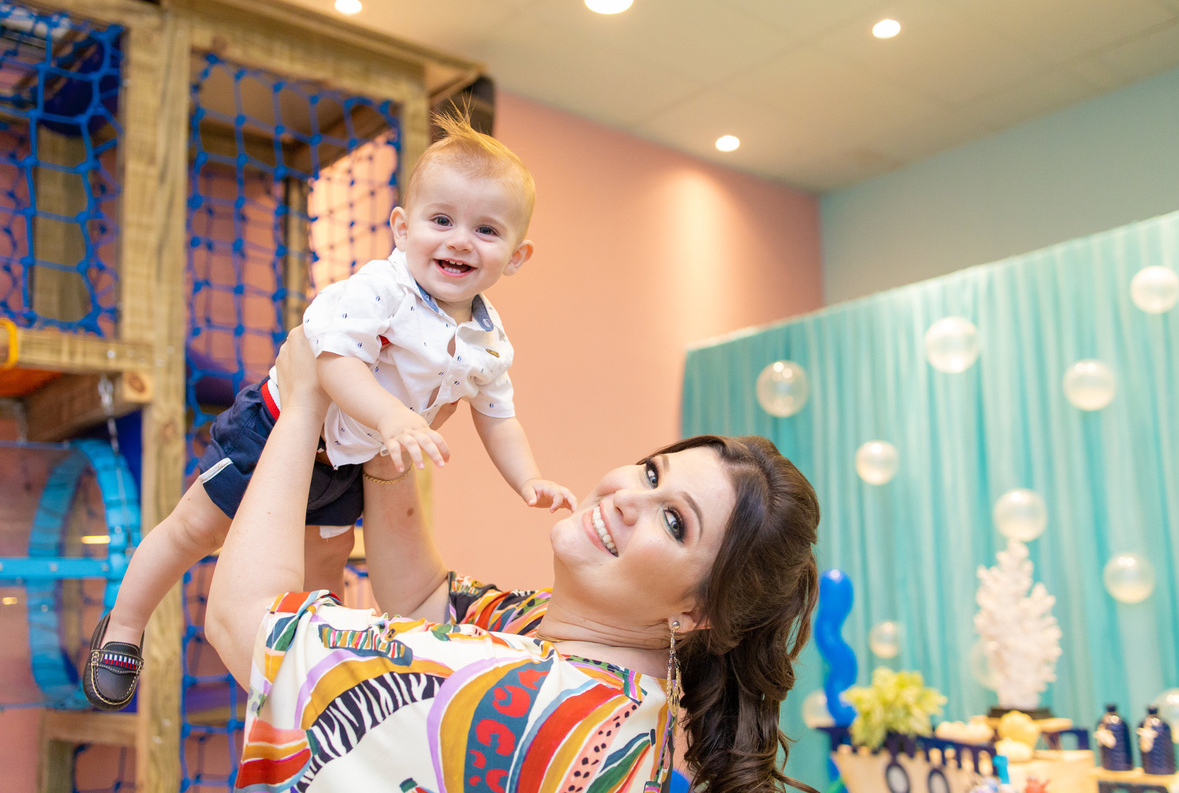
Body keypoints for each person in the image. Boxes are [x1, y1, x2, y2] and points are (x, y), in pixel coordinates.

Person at [82, 112, 575, 711]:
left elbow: (498, 416)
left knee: (330, 558)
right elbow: (331, 363)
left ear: (517, 256)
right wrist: (394, 417)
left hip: (347, 462)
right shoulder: (382, 290)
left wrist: (528, 478)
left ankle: (313, 666)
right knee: (197, 529)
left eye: (486, 230)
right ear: (401, 226)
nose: (460, 240)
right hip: (273, 431)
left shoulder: (489, 341)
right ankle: (126, 623)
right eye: (441, 220)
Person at [205, 329, 821, 793]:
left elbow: (244, 621)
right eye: (650, 472)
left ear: (699, 611)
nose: (627, 497)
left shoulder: (539, 699)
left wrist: (309, 397)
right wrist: (389, 438)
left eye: (673, 520)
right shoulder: (594, 661)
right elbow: (424, 597)